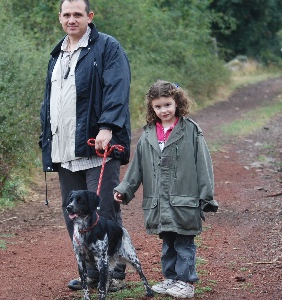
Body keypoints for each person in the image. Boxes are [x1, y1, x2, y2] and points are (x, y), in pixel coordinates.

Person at [39, 0, 131, 292]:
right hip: (64, 149)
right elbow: (51, 102)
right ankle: (91, 272)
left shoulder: (107, 47)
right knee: (74, 213)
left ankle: (114, 273)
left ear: (89, 17)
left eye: (77, 14)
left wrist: (107, 127)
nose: (71, 19)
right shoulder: (56, 54)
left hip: (98, 149)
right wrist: (46, 139)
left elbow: (117, 87)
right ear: (60, 18)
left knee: (103, 212)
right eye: (66, 14)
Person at [114, 80, 218, 298]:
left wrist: (206, 196)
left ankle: (186, 282)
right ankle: (171, 279)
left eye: (168, 105)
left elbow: (204, 165)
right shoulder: (148, 135)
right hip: (159, 203)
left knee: (184, 242)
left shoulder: (191, 130)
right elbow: (137, 168)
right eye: (158, 106)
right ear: (152, 108)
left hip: (185, 200)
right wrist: (124, 189)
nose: (164, 110)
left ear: (177, 103)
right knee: (168, 243)